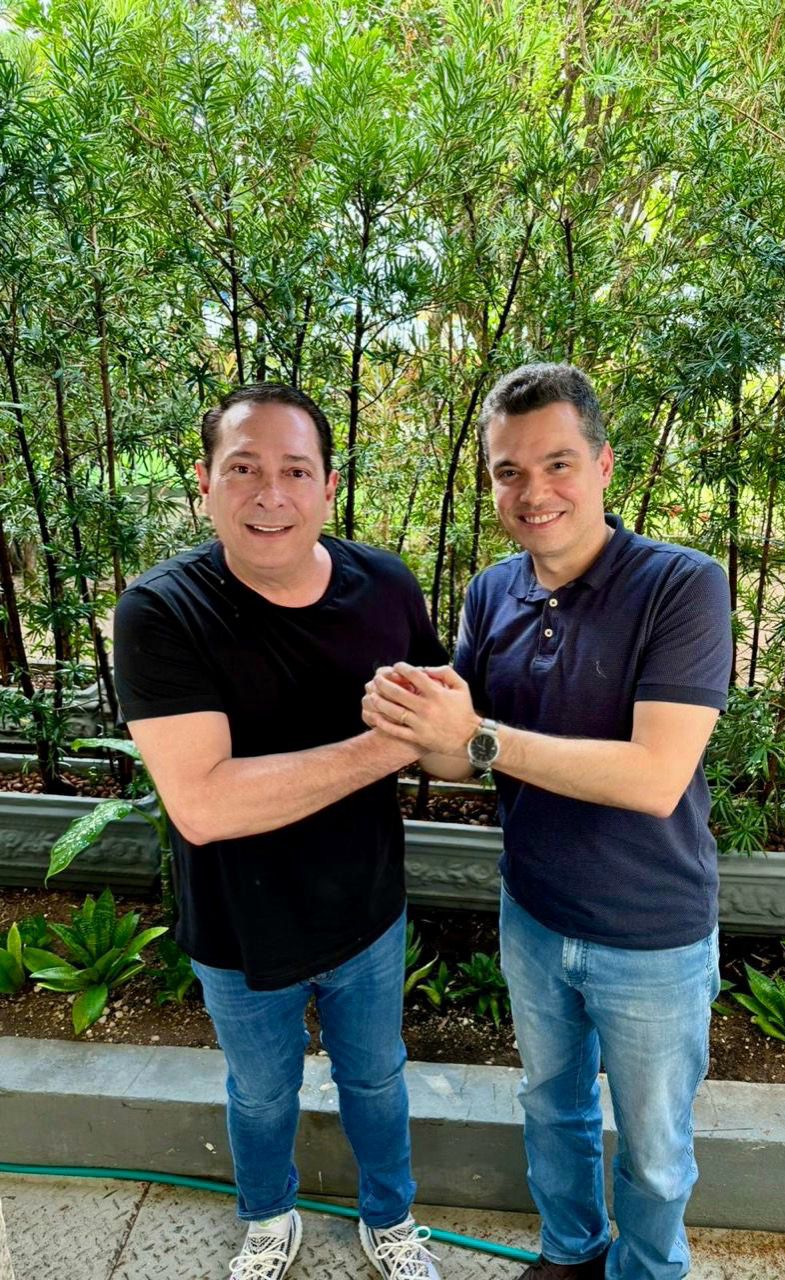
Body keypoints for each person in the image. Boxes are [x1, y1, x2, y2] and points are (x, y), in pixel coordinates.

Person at [362, 362, 732, 1280]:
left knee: (655, 1149)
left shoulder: (682, 586)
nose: (534, 492)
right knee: (550, 1107)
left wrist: (476, 736)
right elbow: (460, 759)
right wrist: (414, 720)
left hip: (652, 934)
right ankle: (569, 1253)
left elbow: (655, 777)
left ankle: (647, 1272)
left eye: (557, 463)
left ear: (603, 465)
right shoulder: (492, 592)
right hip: (532, 913)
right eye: (509, 472)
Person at [113, 382, 446, 1280]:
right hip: (239, 927)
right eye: (244, 469)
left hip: (367, 909)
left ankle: (391, 1219)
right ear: (205, 483)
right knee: (261, 1092)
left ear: (329, 487)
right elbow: (205, 804)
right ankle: (267, 1219)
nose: (271, 495)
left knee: (377, 1078)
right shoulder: (161, 612)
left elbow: (448, 746)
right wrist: (393, 745)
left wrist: (456, 736)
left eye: (296, 471)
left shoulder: (386, 587)